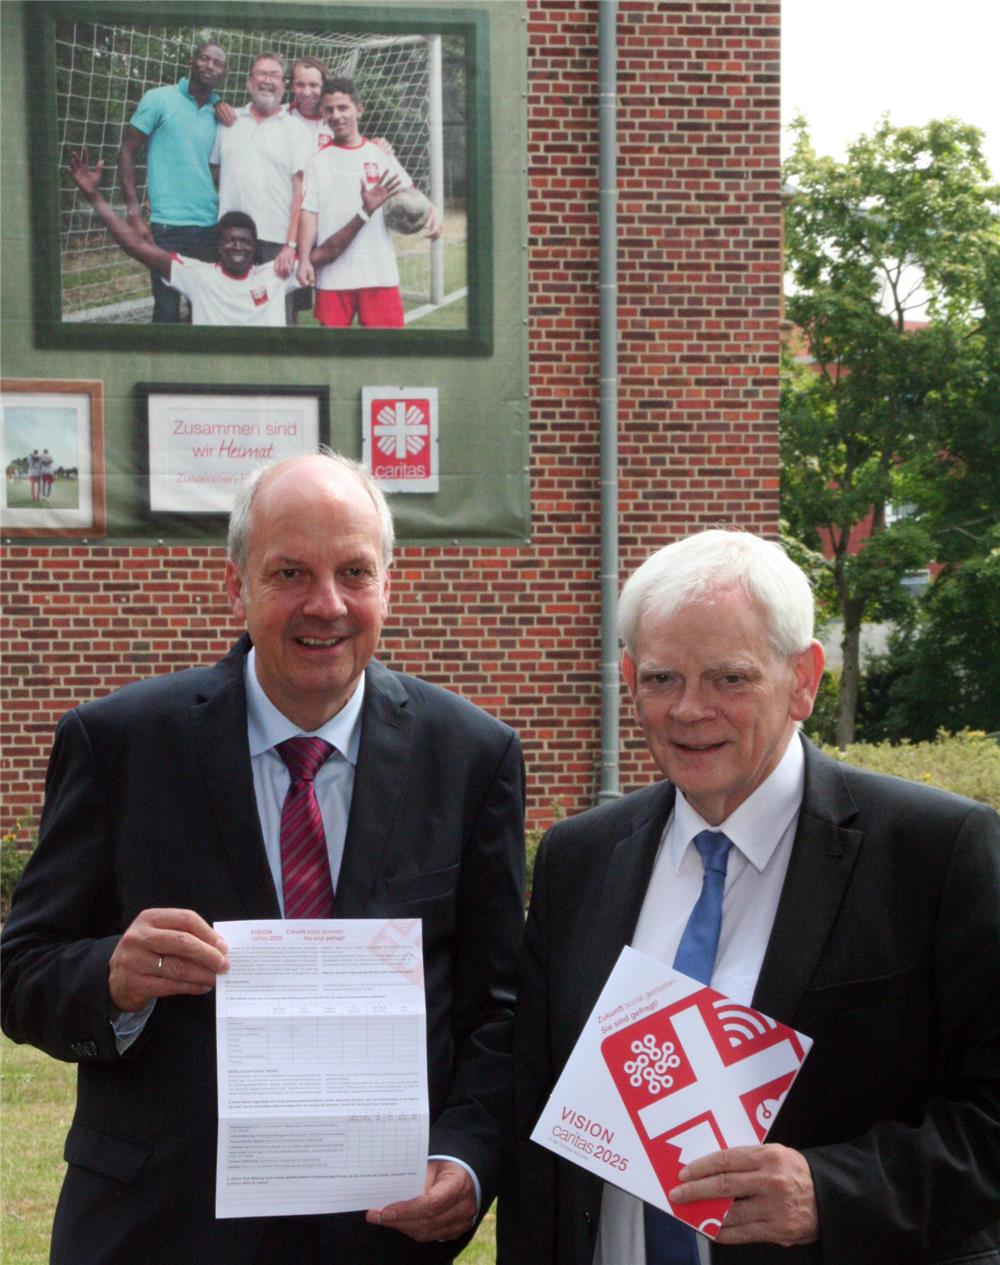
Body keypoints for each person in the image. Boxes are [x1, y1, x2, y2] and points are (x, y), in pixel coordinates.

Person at [1, 450, 526, 1265]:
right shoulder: (119, 744)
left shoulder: (470, 756)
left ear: (393, 578)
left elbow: (497, 1007)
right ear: (235, 583)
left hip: (374, 1234)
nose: (327, 604)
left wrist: (467, 1156)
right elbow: (22, 968)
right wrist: (112, 974)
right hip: (157, 1232)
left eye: (355, 570)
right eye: (289, 572)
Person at [498, 528, 1000, 1265]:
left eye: (729, 679)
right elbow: (535, 1132)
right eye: (663, 678)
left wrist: (831, 1191)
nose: (690, 710)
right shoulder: (580, 859)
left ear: (804, 678)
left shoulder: (935, 852)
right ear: (629, 675)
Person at [67, 150, 401, 328]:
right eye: (229, 240)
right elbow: (137, 247)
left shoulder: (275, 274)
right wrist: (95, 198)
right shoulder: (197, 275)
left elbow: (327, 251)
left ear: (255, 248)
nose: (237, 246)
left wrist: (365, 212)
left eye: (244, 241)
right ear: (217, 246)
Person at [297, 77, 442, 328]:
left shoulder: (379, 154)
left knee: (386, 357)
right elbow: (309, 213)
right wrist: (306, 260)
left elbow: (409, 193)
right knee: (333, 359)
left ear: (359, 109)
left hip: (378, 272)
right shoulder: (317, 161)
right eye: (329, 109)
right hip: (334, 277)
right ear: (322, 113)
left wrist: (433, 209)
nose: (336, 115)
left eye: (343, 108)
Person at [119, 41, 227, 323]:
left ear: (223, 73)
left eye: (217, 63)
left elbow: (211, 169)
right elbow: (128, 150)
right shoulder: (158, 99)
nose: (210, 65)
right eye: (205, 58)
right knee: (166, 310)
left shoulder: (221, 115)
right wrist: (134, 213)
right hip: (166, 226)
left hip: (208, 226)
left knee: (203, 311)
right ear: (191, 62)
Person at [210, 53, 310, 282]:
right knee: (231, 312)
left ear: (284, 86)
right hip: (230, 238)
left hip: (275, 241)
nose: (267, 80)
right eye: (261, 73)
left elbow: (300, 194)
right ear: (248, 81)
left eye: (274, 75)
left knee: (280, 315)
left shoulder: (296, 130)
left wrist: (290, 245)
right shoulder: (227, 122)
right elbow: (211, 174)